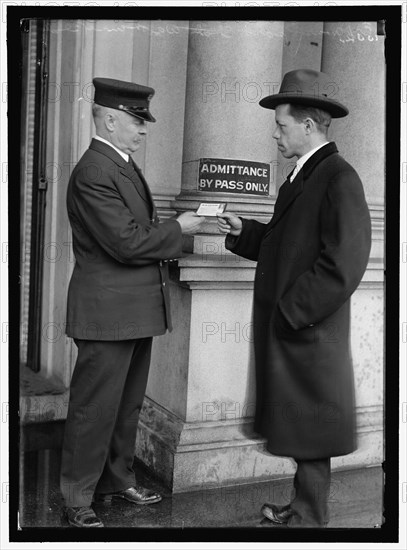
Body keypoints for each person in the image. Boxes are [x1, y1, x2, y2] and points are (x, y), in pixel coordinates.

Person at [217, 69, 371, 528]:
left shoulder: (339, 177)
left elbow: (345, 261)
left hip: (308, 329)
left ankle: (308, 521)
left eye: (282, 125)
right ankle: (304, 508)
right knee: (305, 427)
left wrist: (291, 312)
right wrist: (247, 233)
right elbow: (290, 247)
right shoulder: (305, 175)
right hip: (300, 329)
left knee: (311, 428)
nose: (275, 133)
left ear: (308, 125)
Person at [61, 77, 205, 528]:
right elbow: (126, 242)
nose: (144, 131)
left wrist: (190, 230)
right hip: (108, 315)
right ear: (108, 119)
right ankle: (76, 496)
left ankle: (114, 480)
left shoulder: (118, 164)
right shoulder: (94, 171)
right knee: (94, 410)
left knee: (125, 406)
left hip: (132, 313)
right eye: (136, 122)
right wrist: (181, 229)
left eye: (144, 123)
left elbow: (139, 235)